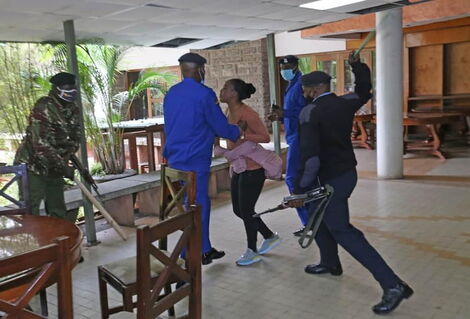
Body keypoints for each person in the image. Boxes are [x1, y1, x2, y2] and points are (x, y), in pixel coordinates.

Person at [288, 52, 413, 315]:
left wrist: (299, 189)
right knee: (317, 218)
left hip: (327, 179)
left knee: (343, 231)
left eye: (305, 89)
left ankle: (393, 285)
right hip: (346, 173)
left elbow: (310, 159)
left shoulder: (310, 112)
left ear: (313, 89)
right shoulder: (344, 103)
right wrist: (357, 66)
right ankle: (330, 262)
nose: (304, 93)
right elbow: (364, 89)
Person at [163, 53, 243, 265]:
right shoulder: (204, 94)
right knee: (199, 207)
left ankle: (203, 248)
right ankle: (190, 253)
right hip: (195, 160)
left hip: (174, 160)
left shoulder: (171, 93)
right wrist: (236, 131)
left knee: (185, 206)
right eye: (203, 70)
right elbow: (219, 125)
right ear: (199, 70)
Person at [218, 79, 281, 266]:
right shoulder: (229, 111)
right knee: (240, 210)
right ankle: (269, 236)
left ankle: (251, 250)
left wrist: (243, 134)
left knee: (246, 210)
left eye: (225, 88)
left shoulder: (248, 113)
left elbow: (264, 136)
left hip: (253, 169)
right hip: (239, 167)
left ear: (234, 94)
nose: (221, 91)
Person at [14, 72, 80, 222]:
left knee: (58, 209)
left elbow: (76, 137)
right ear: (57, 89)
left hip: (55, 166)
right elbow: (40, 144)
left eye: (73, 90)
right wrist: (63, 167)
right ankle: (32, 243)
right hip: (32, 165)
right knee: (31, 210)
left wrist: (67, 156)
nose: (71, 94)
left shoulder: (73, 108)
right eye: (67, 90)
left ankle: (60, 242)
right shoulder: (43, 107)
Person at [269, 55, 310, 236]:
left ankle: (309, 222)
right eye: (282, 67)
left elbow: (305, 111)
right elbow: (293, 112)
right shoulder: (291, 85)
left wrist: (284, 112)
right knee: (299, 180)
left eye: (288, 66)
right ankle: (310, 220)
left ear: (296, 66)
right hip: (294, 135)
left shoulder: (301, 84)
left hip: (301, 137)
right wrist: (280, 115)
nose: (284, 70)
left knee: (292, 179)